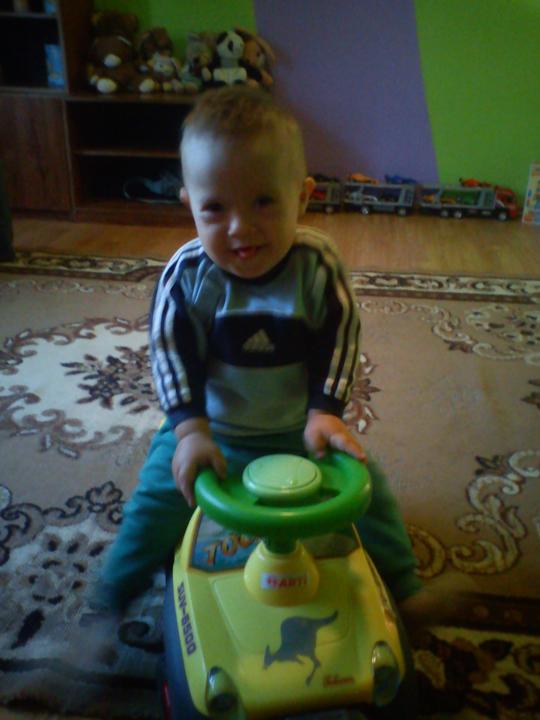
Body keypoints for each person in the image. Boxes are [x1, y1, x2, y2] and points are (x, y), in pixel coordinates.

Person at [91, 86, 427, 624]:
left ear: (303, 196)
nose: (240, 227)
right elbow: (170, 355)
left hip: (300, 428)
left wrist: (325, 411)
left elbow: (340, 337)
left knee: (370, 492)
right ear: (189, 206)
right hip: (212, 429)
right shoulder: (188, 275)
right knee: (155, 500)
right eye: (215, 208)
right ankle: (111, 593)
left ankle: (407, 588)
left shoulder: (317, 265)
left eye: (263, 202)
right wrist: (190, 431)